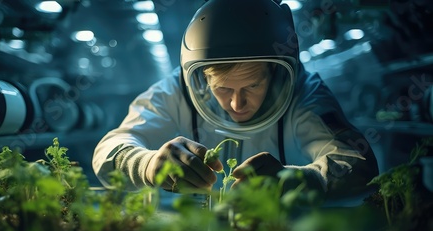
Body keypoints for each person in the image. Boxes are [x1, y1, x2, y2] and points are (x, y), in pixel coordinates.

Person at [92, 0, 379, 208]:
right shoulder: (175, 91)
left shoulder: (303, 92)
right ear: (203, 79)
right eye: (222, 88)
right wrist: (148, 164)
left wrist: (298, 180)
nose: (236, 102)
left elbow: (356, 162)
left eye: (253, 85)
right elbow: (109, 151)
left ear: (276, 74)